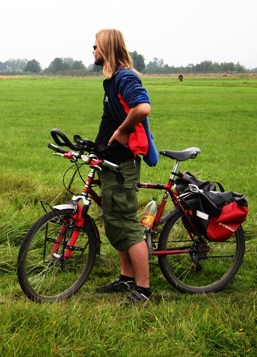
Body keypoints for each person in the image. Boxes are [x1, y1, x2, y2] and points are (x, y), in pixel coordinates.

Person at [91, 29, 157, 305]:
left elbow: (142, 108)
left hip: (123, 163)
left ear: (106, 48)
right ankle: (126, 277)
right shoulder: (112, 81)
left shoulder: (126, 77)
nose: (92, 50)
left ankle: (143, 290)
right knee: (114, 220)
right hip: (111, 160)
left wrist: (120, 131)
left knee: (127, 225)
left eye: (95, 46)